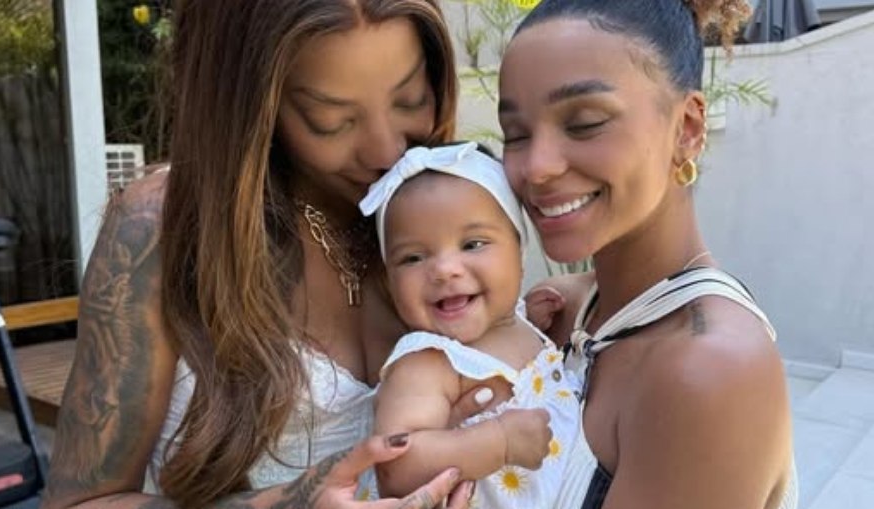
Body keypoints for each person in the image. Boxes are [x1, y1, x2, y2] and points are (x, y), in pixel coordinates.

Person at [40, 1, 547, 507]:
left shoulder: (451, 203)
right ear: (250, 104)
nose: (386, 150)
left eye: (411, 99)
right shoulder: (161, 229)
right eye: (331, 119)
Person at [501, 1, 798, 508]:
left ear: (687, 128)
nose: (537, 166)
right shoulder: (564, 310)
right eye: (517, 134)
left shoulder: (709, 368)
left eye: (585, 122)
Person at [358, 142, 594, 508]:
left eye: (472, 244)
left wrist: (527, 320)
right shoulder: (429, 362)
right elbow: (395, 466)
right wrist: (497, 441)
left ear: (519, 251)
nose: (443, 269)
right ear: (389, 280)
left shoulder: (517, 324)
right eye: (413, 257)